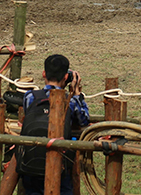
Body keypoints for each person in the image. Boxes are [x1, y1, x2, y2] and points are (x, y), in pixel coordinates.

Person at [1, 55, 89, 195]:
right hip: (60, 166)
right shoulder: (70, 102)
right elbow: (84, 120)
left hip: (30, 163)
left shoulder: (30, 97)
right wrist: (77, 94)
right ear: (66, 77)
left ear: (43, 74)